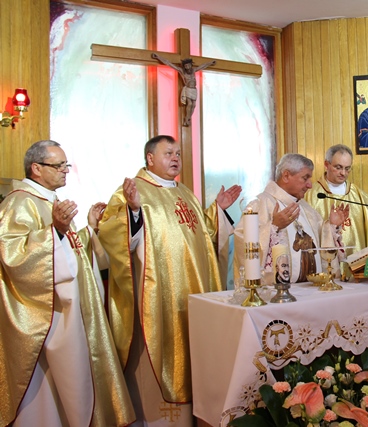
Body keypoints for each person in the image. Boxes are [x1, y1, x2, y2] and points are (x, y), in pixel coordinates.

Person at [99, 135, 239, 426]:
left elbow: (205, 235)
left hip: (193, 296)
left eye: (178, 153)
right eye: (168, 153)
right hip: (157, 297)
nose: (176, 158)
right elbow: (111, 236)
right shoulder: (131, 192)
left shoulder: (185, 192)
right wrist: (133, 211)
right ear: (150, 158)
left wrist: (218, 209)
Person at [0, 140, 134, 426]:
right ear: (36, 168)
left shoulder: (50, 201)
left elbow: (71, 252)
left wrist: (89, 228)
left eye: (66, 164)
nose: (65, 170)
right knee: (48, 393)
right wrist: (56, 231)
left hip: (67, 310)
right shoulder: (19, 202)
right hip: (44, 316)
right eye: (58, 165)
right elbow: (13, 257)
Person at [234, 153, 349, 285]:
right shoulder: (260, 204)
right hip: (277, 291)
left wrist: (331, 227)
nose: (310, 185)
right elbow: (242, 242)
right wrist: (273, 227)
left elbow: (323, 247)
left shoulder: (307, 210)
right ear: (286, 176)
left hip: (312, 288)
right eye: (305, 178)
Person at [306, 144, 368, 276]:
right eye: (338, 167)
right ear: (326, 164)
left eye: (347, 168)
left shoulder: (359, 195)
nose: (343, 173)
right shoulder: (311, 195)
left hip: (357, 268)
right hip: (325, 267)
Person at [151, 53, 217, 127]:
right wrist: (158, 57)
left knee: (194, 105)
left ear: (191, 65)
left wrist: (211, 63)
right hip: (188, 89)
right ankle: (186, 119)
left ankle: (188, 118)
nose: (187, 67)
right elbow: (168, 63)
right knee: (190, 104)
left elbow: (203, 66)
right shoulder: (182, 71)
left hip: (194, 89)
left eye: (188, 65)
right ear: (184, 66)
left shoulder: (194, 70)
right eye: (185, 66)